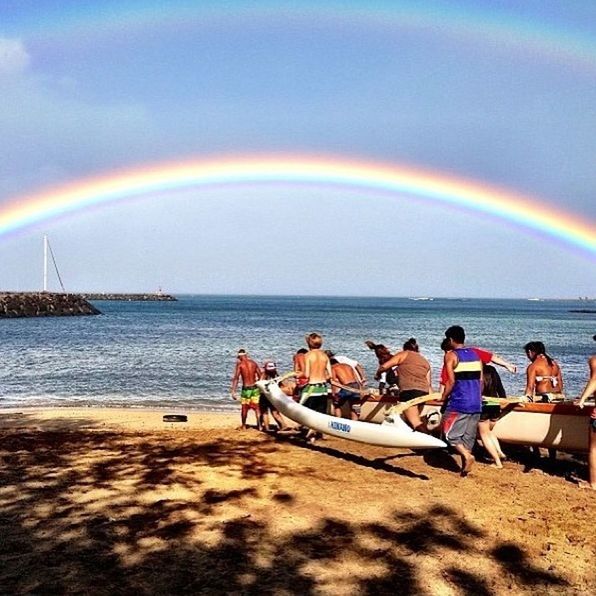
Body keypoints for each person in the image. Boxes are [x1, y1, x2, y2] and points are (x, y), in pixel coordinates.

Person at [441, 325, 483, 476]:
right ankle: (465, 468)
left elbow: (451, 382)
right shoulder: (475, 354)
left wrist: (444, 397)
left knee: (449, 433)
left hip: (460, 401)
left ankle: (466, 456)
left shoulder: (451, 355)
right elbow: (481, 380)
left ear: (451, 339)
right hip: (476, 402)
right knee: (468, 437)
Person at [375, 338, 432, 432]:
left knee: (415, 422)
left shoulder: (404, 354)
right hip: (423, 392)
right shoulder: (425, 361)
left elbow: (384, 366)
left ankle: (429, 441)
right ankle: (416, 441)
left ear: (404, 348)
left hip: (409, 391)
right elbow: (428, 383)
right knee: (413, 419)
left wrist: (377, 374)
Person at [301, 333, 332, 442]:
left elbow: (307, 375)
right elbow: (330, 375)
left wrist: (298, 374)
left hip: (312, 388)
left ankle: (311, 434)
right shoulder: (325, 355)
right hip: (323, 388)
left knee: (306, 411)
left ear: (309, 343)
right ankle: (318, 433)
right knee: (320, 413)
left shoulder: (308, 355)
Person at [478, 363, 508, 468]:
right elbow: (500, 388)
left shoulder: (477, 371)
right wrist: (504, 401)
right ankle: (499, 452)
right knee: (489, 432)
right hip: (495, 404)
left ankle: (497, 462)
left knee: (484, 434)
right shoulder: (492, 369)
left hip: (484, 405)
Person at [577, 334, 596, 490]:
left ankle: (593, 483)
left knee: (594, 448)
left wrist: (583, 398)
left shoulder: (594, 360)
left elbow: (595, 380)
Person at [230, 349, 262, 430]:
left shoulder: (240, 365)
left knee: (244, 408)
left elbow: (236, 378)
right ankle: (260, 426)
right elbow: (260, 376)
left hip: (246, 390)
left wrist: (233, 391)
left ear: (239, 357)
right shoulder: (253, 363)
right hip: (254, 388)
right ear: (246, 355)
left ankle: (244, 426)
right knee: (257, 408)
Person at [259, 361, 288, 432]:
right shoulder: (276, 376)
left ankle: (267, 428)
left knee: (265, 412)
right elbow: (282, 386)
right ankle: (283, 425)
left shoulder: (264, 375)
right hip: (274, 396)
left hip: (265, 396)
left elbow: (260, 383)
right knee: (275, 412)